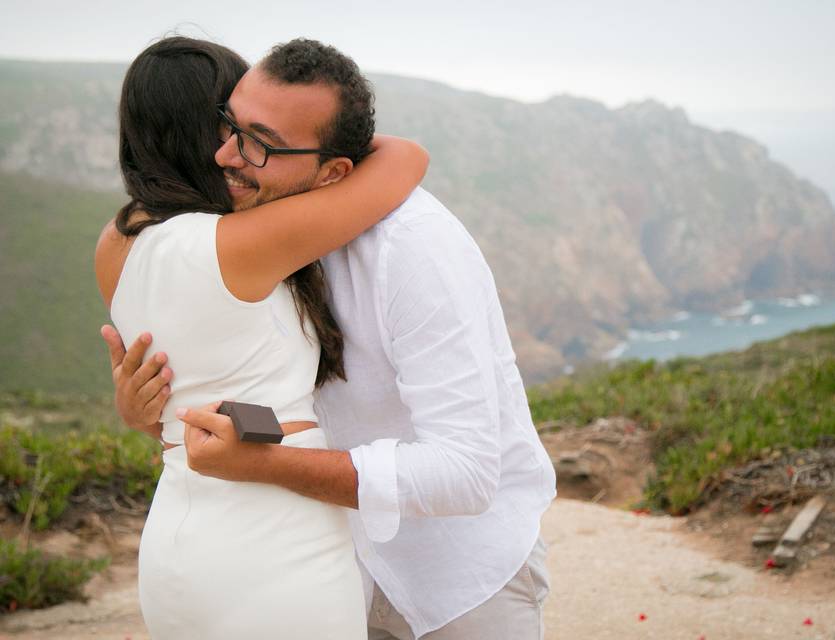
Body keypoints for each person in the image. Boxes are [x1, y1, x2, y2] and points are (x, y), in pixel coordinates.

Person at [105, 38, 557, 640]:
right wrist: (152, 409)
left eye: (259, 143)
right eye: (226, 127)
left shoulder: (413, 248)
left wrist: (269, 464)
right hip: (329, 558)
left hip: (452, 578)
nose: (225, 155)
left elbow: (467, 472)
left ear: (334, 170)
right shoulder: (244, 233)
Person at [95, 36, 428, 639]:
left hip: (176, 533)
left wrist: (131, 409)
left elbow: (174, 401)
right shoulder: (239, 247)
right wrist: (319, 143)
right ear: (210, 130)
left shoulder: (115, 243)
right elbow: (405, 161)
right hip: (274, 541)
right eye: (236, 121)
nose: (239, 145)